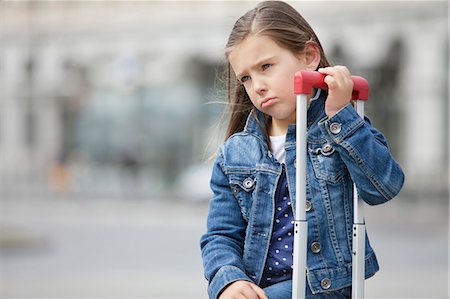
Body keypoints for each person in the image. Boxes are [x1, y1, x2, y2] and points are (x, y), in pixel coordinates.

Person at [200, 1, 405, 299]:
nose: (257, 85)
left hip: (323, 286)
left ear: (309, 57)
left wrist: (340, 117)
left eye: (266, 67)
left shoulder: (340, 126)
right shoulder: (236, 152)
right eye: (246, 77)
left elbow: (384, 186)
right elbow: (221, 234)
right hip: (259, 287)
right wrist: (229, 281)